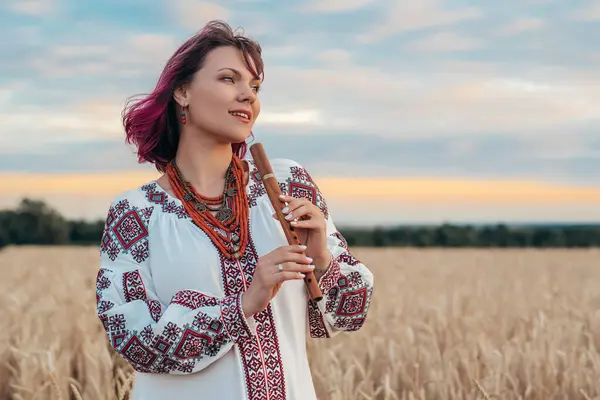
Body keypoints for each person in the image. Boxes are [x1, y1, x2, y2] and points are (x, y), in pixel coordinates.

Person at [95, 20, 374, 400]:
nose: (249, 96)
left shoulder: (289, 183)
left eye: (255, 87)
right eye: (230, 79)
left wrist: (322, 257)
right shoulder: (135, 213)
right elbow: (132, 339)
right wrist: (243, 304)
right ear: (182, 92)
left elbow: (350, 315)